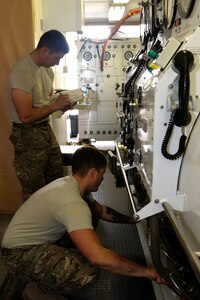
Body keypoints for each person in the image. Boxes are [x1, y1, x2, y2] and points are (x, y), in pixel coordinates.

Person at [1, 147, 165, 299]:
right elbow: (98, 257)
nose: (102, 178)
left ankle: (41, 275)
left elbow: (101, 211)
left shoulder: (71, 184)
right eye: (102, 173)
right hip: (17, 254)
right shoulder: (73, 202)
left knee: (91, 217)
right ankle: (38, 291)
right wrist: (146, 272)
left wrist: (133, 220)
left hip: (31, 241)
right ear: (93, 172)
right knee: (87, 270)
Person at [8, 29, 73, 202]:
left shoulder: (47, 70)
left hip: (45, 129)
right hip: (27, 134)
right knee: (34, 188)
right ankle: (33, 227)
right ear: (44, 50)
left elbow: (46, 104)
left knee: (55, 178)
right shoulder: (22, 72)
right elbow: (26, 116)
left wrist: (61, 106)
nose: (57, 63)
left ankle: (52, 224)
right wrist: (54, 106)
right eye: (56, 58)